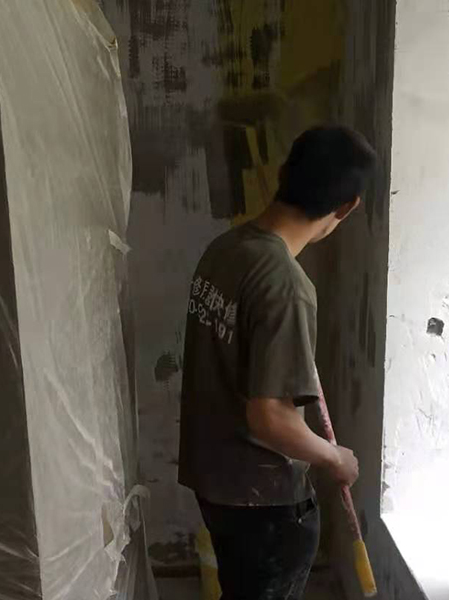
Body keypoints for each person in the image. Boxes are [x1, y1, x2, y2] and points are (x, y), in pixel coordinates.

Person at [178, 126, 378, 600]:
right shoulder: (286, 285)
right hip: (263, 504)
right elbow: (269, 417)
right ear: (347, 206)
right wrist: (335, 458)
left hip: (215, 484)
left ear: (284, 173)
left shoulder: (225, 250)